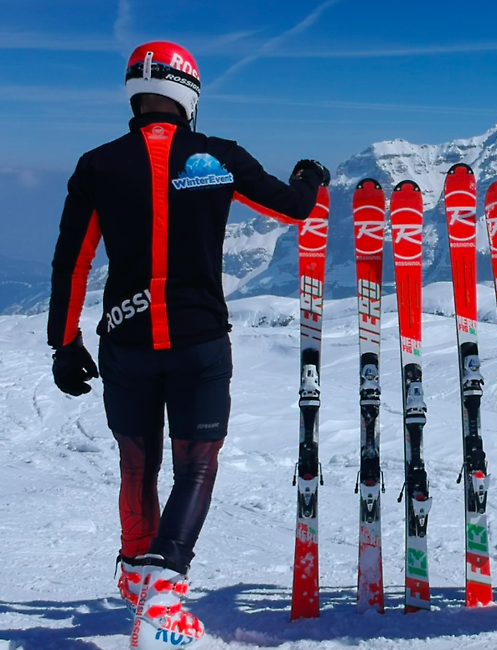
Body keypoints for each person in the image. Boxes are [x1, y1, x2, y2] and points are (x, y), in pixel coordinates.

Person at [47, 41, 329, 649]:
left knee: (137, 464)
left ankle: (136, 577)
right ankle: (163, 596)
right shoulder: (218, 157)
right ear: (189, 93)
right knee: (195, 466)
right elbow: (295, 210)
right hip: (198, 342)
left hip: (126, 342)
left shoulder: (97, 165)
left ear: (134, 93)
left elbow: (72, 263)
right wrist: (310, 176)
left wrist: (63, 343)